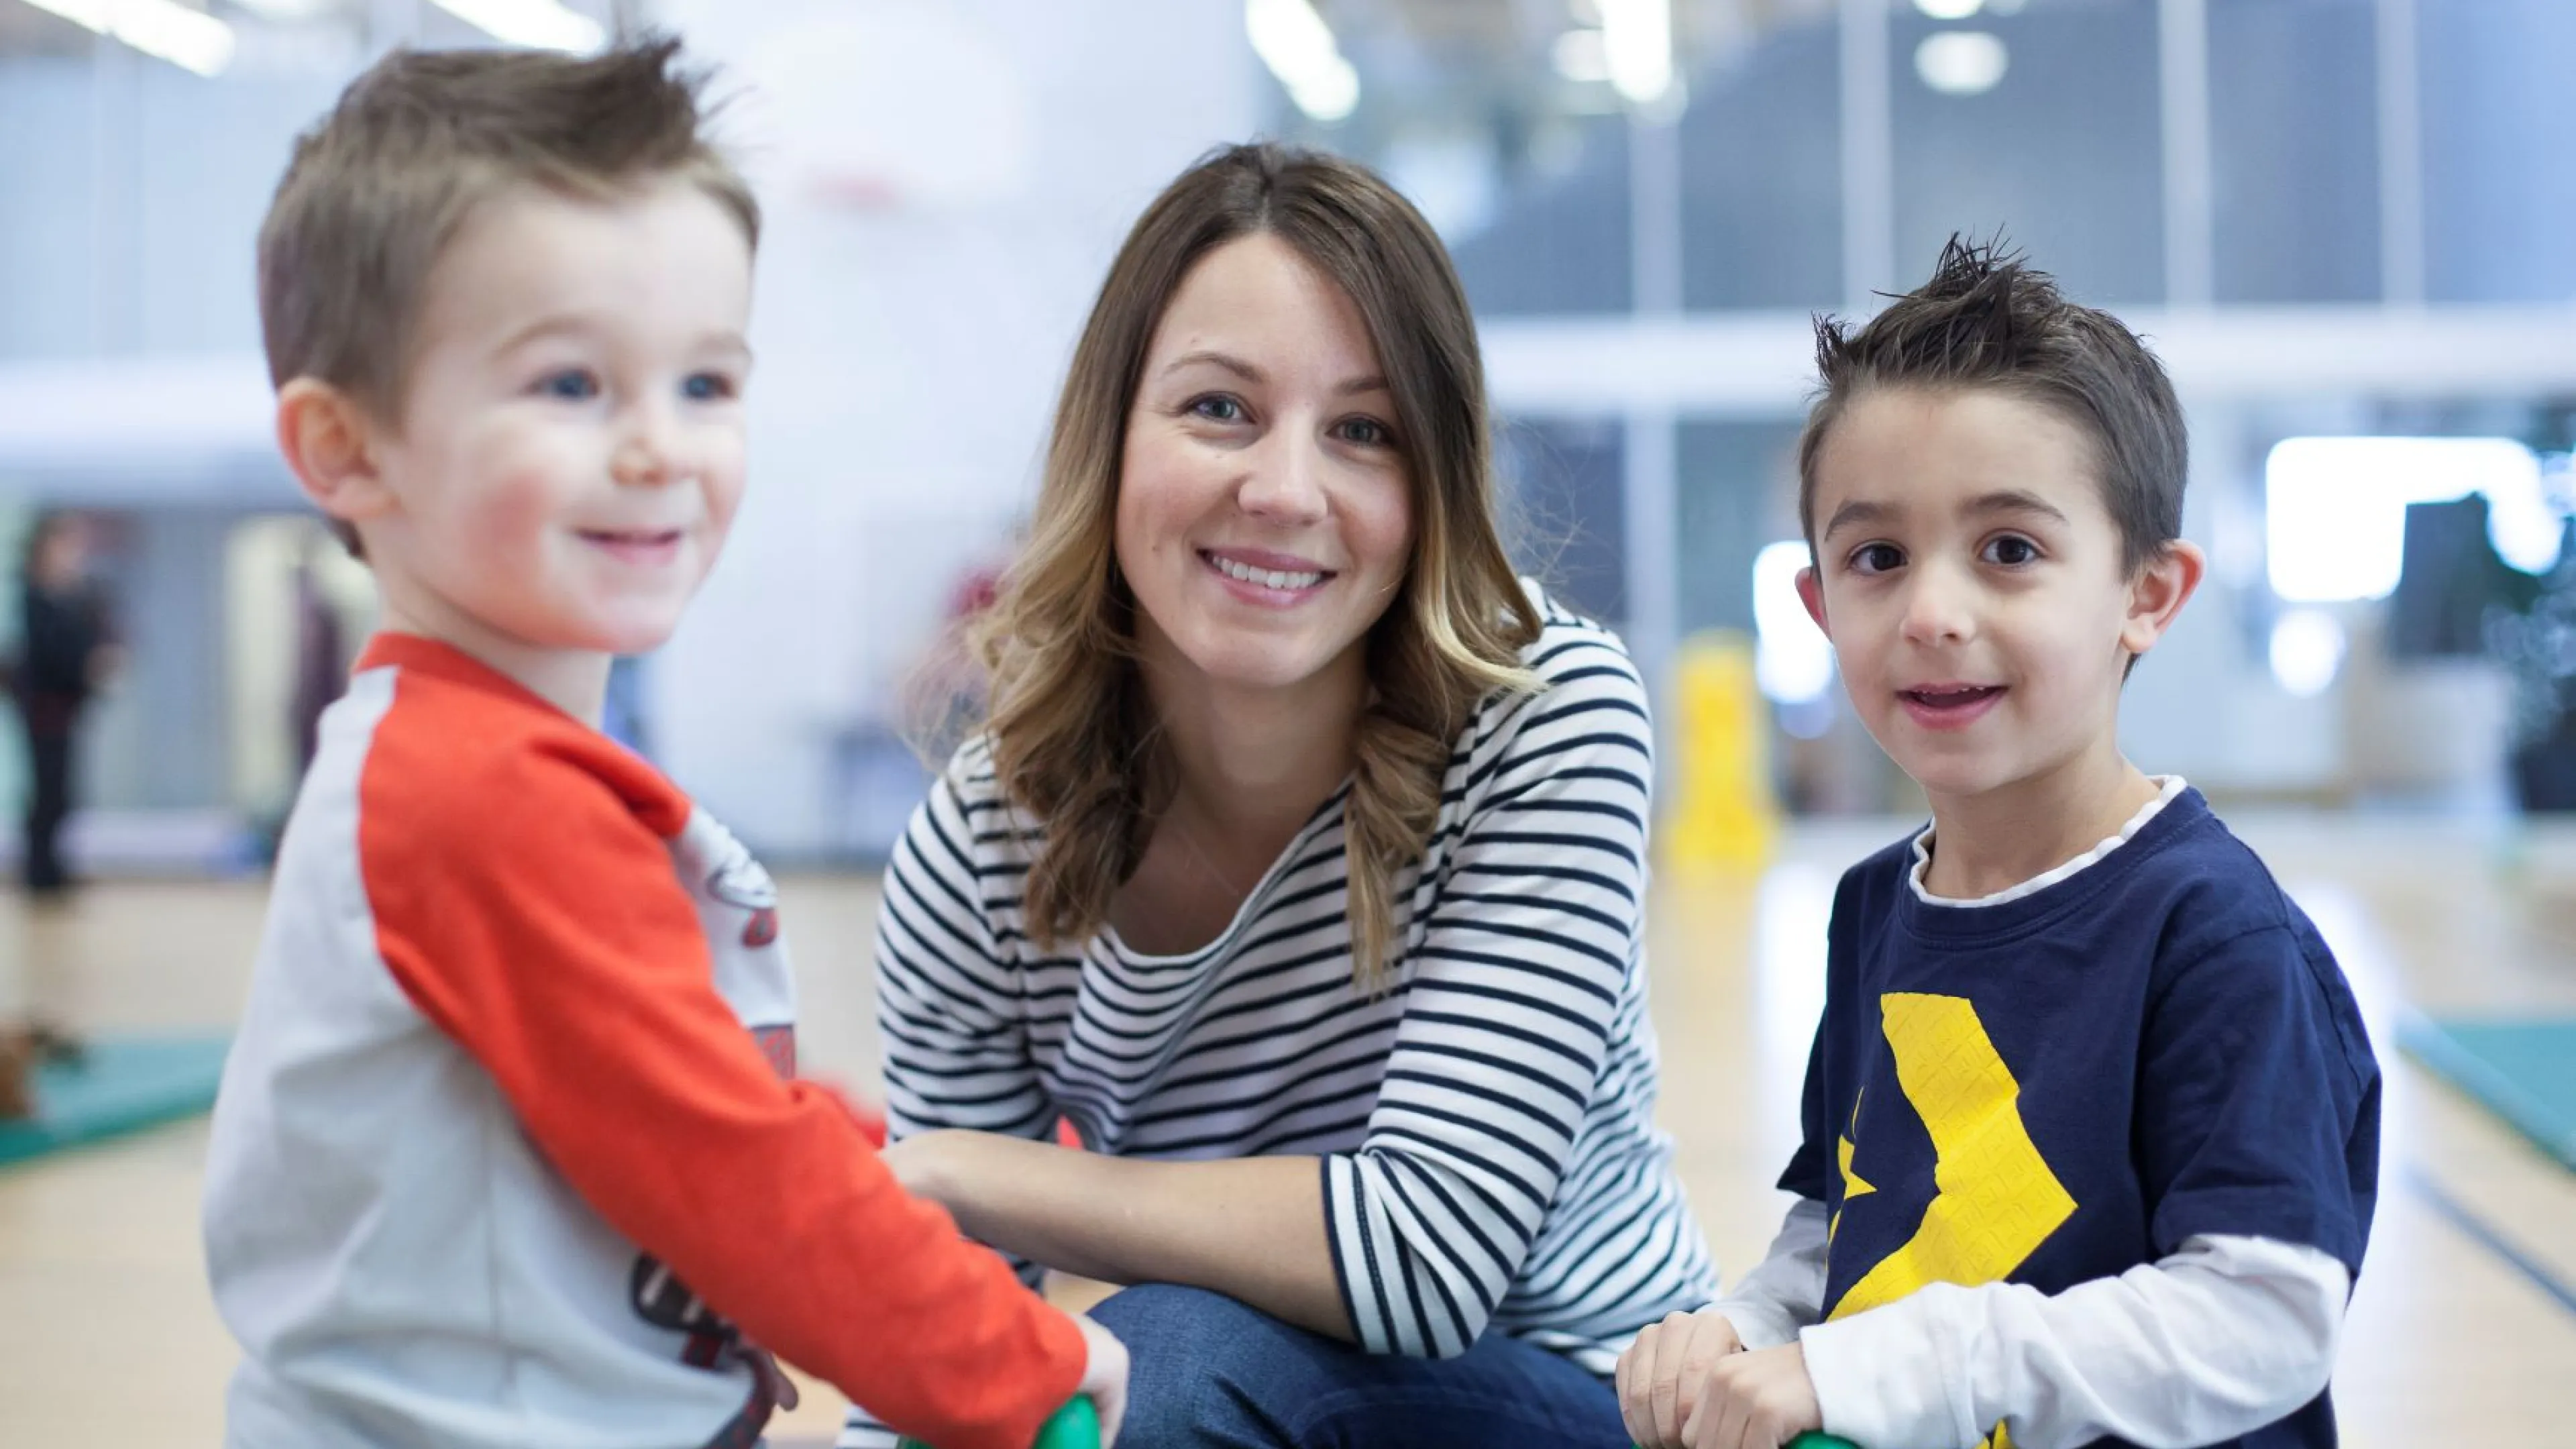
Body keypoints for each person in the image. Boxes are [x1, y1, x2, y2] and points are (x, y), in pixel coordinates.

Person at [201, 40, 1125, 1449]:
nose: (658, 448)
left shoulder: (469, 761)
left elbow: (687, 1090)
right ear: (347, 451)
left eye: (706, 385)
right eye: (571, 386)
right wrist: (1018, 1367)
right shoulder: (476, 798)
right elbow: (731, 1176)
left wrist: (927, 1163)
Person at [850, 142, 1718, 1449]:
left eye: (1363, 433)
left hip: (1588, 1399)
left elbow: (1429, 1258)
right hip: (1252, 1404)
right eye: (1220, 409)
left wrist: (973, 1180)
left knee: (1160, 1359)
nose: (1285, 491)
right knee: (1080, 1381)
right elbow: (946, 1347)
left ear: (1428, 490)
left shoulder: (1542, 716)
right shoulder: (978, 850)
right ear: (1111, 433)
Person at [1615, 239, 2380, 1449]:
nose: (1931, 613)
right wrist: (1750, 1325)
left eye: (2010, 551)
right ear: (1818, 604)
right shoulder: (1876, 908)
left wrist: (1902, 1366)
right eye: (1877, 558)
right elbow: (1851, 1222)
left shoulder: (2212, 933)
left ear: (2148, 593)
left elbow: (2264, 1319)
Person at [12, 511, 117, 901]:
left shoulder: (74, 594)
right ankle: (41, 874)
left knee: (61, 792)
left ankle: (52, 869)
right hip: (43, 708)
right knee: (47, 792)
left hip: (67, 707)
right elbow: (47, 654)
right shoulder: (35, 595)